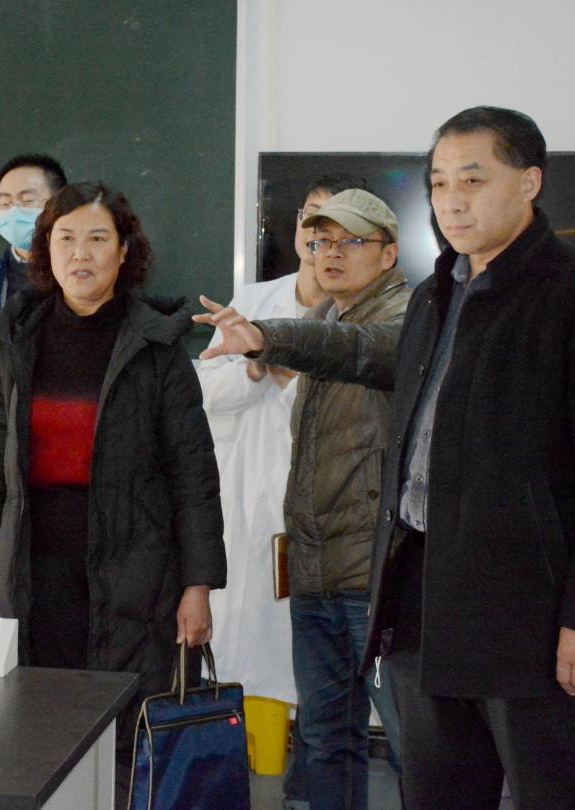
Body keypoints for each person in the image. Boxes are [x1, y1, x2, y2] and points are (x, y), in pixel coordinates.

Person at [203, 106, 575, 810]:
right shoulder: (437, 296)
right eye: (440, 183)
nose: (452, 200)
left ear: (530, 182)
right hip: (421, 601)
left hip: (529, 616)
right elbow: (359, 351)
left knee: (552, 795)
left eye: (472, 180)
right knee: (437, 793)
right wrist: (268, 338)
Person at [0, 181, 225, 807]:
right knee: (38, 728)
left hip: (137, 573)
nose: (81, 254)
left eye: (98, 239)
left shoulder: (156, 344)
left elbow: (193, 474)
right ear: (45, 251)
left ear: (124, 251)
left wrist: (198, 584)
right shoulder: (16, 338)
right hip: (34, 571)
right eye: (66, 239)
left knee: (129, 731)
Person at [204, 188, 409, 809]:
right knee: (326, 740)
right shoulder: (327, 320)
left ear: (389, 253)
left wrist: (267, 339)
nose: (331, 254)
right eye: (321, 241)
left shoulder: (409, 317)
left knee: (417, 743)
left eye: (351, 241)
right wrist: (262, 354)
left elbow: (358, 352)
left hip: (378, 576)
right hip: (317, 568)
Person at [0, 154, 67, 498]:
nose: (13, 212)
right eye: (5, 204)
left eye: (26, 201)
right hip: (2, 444)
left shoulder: (84, 278)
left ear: (57, 205)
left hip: (68, 443)